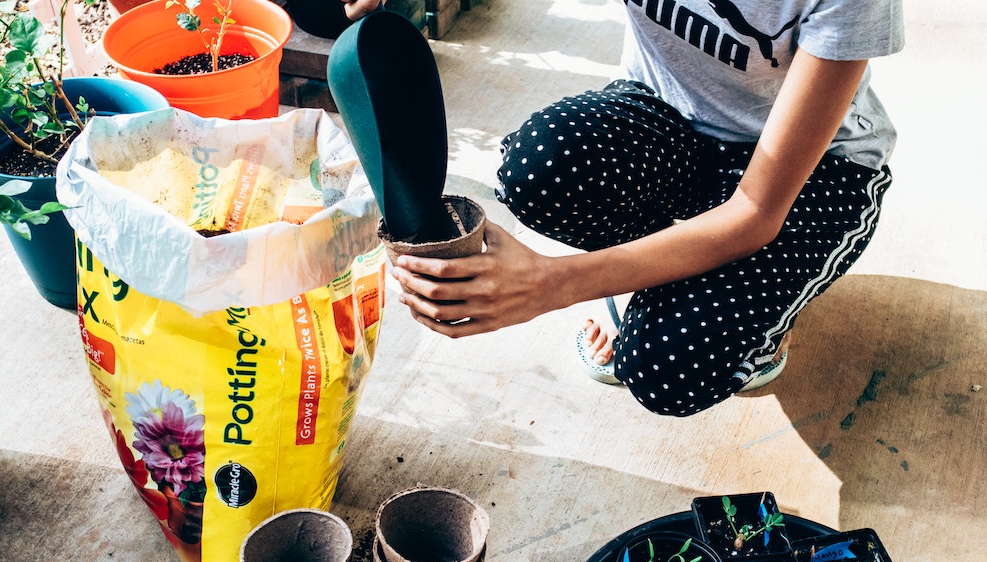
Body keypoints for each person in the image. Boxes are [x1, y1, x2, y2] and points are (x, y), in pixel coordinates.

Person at [342, 0, 904, 416]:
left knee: (668, 368)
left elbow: (755, 212)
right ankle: (661, 269)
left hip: (813, 169)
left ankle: (760, 320)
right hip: (669, 116)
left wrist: (550, 284)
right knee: (540, 166)